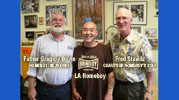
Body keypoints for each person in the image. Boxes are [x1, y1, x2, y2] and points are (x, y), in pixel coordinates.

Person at [109, 8, 156, 100]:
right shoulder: (113, 39)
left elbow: (150, 67)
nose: (121, 21)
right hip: (117, 86)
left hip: (135, 88)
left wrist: (149, 91)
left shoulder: (142, 40)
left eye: (124, 18)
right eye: (118, 18)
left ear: (131, 20)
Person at [27, 12, 76, 100]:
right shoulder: (40, 41)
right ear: (50, 23)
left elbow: (75, 66)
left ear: (64, 23)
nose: (58, 22)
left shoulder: (72, 42)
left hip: (65, 89)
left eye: (60, 20)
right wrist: (31, 88)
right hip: (44, 89)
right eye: (55, 20)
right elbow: (32, 66)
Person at [72, 22, 115, 100]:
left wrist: (109, 93)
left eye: (91, 30)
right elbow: (74, 73)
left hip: (101, 94)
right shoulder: (76, 50)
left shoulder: (105, 49)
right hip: (81, 95)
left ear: (96, 33)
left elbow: (110, 73)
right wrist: (74, 90)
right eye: (85, 30)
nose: (88, 33)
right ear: (81, 32)